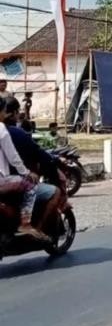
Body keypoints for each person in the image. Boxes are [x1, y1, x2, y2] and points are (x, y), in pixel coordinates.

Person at [2, 97, 64, 233]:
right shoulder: (10, 132)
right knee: (49, 191)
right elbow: (14, 158)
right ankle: (33, 228)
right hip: (7, 181)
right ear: (9, 113)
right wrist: (27, 172)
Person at [0, 97, 42, 239]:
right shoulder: (2, 129)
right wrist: (27, 173)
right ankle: (25, 223)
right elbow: (13, 157)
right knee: (31, 186)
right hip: (2, 180)